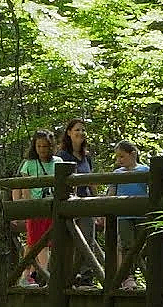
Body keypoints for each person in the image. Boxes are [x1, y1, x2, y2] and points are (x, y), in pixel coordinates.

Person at [56, 118, 104, 286]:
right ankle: (66, 275)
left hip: (86, 204)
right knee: (70, 240)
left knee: (87, 239)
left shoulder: (87, 156)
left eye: (83, 130)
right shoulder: (61, 156)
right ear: (69, 132)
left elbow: (91, 182)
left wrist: (97, 205)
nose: (81, 133)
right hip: (69, 204)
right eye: (77, 130)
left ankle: (86, 277)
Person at [15, 130, 59, 287]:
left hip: (52, 208)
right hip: (35, 208)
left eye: (45, 146)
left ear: (51, 146)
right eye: (39, 146)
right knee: (35, 243)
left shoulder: (58, 162)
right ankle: (42, 276)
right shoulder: (29, 164)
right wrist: (24, 208)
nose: (42, 149)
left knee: (48, 243)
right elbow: (22, 187)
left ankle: (33, 275)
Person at [107, 140, 149, 290]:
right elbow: (111, 192)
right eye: (117, 157)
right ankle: (127, 276)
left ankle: (141, 274)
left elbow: (152, 189)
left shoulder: (145, 170)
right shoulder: (117, 173)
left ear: (133, 154)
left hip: (141, 214)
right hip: (123, 215)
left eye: (122, 157)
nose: (119, 160)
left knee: (140, 245)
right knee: (126, 245)